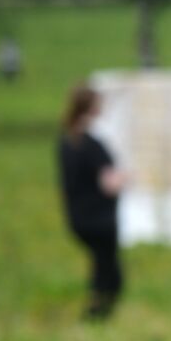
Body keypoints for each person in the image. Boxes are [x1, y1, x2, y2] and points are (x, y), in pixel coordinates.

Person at [57, 85, 125, 320]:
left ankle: (96, 314)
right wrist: (126, 178)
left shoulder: (66, 141)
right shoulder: (93, 145)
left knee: (100, 266)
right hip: (101, 219)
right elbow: (110, 184)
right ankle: (96, 316)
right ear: (92, 107)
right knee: (110, 275)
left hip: (77, 216)